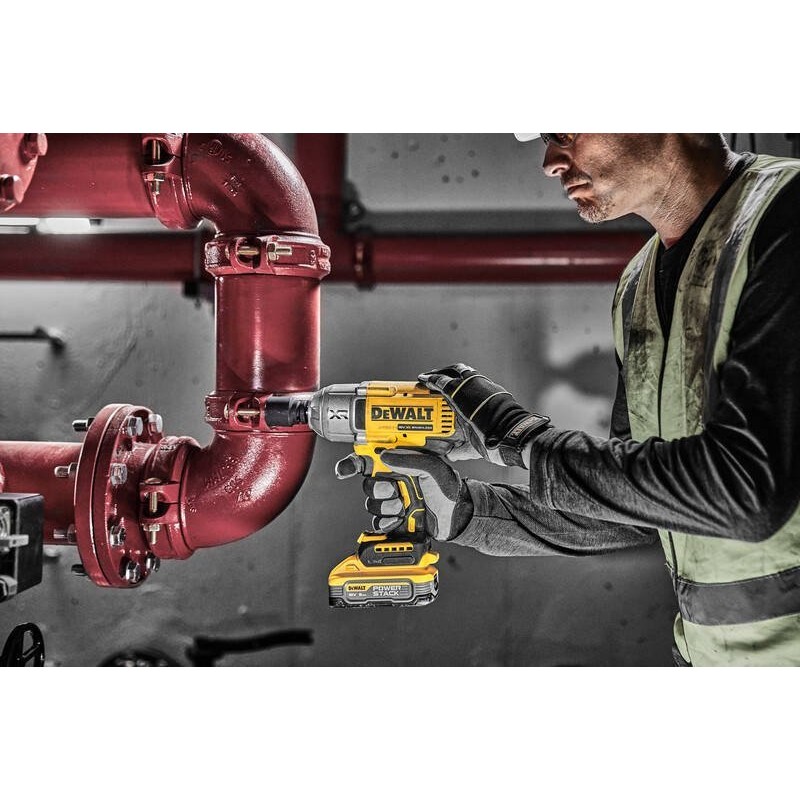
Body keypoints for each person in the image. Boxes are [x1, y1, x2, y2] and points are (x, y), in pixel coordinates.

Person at [353, 134, 800, 667]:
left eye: (564, 132)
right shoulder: (637, 283)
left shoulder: (784, 213)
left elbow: (747, 492)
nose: (549, 163)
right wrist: (470, 511)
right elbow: (639, 512)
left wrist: (518, 438)